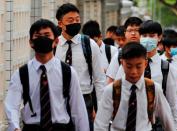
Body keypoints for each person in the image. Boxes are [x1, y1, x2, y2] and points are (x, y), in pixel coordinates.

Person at [4, 19, 89, 131]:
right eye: (38, 36)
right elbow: (11, 105)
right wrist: (15, 127)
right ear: (31, 43)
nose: (42, 38)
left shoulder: (68, 72)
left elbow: (78, 110)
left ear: (56, 41)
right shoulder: (21, 74)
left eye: (47, 35)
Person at [94, 42, 176, 131]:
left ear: (145, 64)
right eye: (129, 66)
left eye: (138, 66)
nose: (134, 72)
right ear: (122, 63)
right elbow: (100, 125)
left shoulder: (153, 89)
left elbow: (168, 120)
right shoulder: (111, 90)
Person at [55, 3, 105, 131]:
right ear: (60, 23)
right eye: (70, 20)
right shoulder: (54, 45)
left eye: (77, 20)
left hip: (84, 99)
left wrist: (100, 109)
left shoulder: (89, 44)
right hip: (58, 101)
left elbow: (99, 79)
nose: (75, 23)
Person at [139, 20, 177, 130]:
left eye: (152, 35)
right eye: (144, 35)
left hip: (157, 124)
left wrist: (175, 126)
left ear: (159, 37)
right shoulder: (129, 64)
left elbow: (172, 102)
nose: (147, 39)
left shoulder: (166, 68)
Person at [106, 17, 143, 84]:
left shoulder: (147, 54)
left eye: (137, 30)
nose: (133, 33)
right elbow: (110, 81)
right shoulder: (119, 55)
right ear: (125, 33)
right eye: (130, 30)